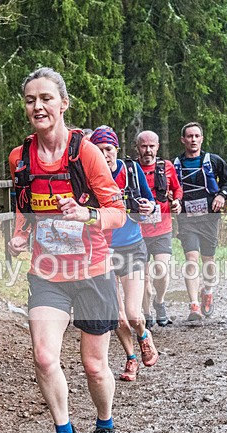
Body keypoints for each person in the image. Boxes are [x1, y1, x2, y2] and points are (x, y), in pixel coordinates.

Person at [6, 68, 126, 433]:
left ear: (63, 104)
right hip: (48, 274)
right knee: (44, 356)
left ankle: (105, 425)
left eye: (45, 99)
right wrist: (20, 235)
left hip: (92, 271)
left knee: (95, 366)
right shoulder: (20, 158)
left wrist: (86, 213)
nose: (37, 106)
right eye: (29, 100)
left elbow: (117, 213)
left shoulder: (86, 153)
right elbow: (24, 207)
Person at [90, 126, 159, 382]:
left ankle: (143, 335)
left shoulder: (130, 170)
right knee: (116, 317)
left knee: (132, 312)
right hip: (101, 249)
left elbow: (150, 202)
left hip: (131, 245)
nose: (104, 154)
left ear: (116, 149)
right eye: (98, 150)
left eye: (108, 149)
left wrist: (147, 206)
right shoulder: (87, 174)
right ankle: (131, 359)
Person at [174, 122, 227, 321]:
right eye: (189, 136)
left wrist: (222, 196)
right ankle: (194, 306)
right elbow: (170, 189)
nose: (193, 140)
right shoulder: (175, 164)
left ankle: (207, 291)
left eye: (196, 136)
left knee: (208, 261)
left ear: (202, 138)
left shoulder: (213, 161)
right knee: (191, 259)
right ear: (183, 140)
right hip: (187, 220)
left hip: (209, 218)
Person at [134, 130, 183, 328]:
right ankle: (146, 314)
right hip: (138, 231)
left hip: (162, 228)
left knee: (161, 270)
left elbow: (178, 188)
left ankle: (160, 302)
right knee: (144, 281)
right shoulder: (131, 169)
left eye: (151, 146)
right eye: (144, 146)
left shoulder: (166, 167)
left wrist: (177, 201)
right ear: (137, 148)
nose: (148, 150)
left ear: (157, 147)